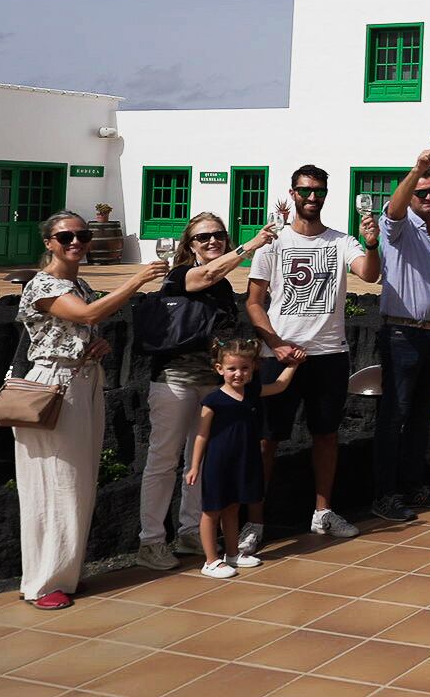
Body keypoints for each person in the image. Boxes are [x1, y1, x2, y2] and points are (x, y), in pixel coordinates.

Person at [14, 212, 167, 609]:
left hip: (83, 382)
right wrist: (136, 280)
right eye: (65, 236)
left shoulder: (77, 283)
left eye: (83, 235)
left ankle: (64, 572)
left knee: (78, 483)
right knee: (54, 483)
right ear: (48, 242)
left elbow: (82, 329)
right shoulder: (42, 284)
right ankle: (44, 582)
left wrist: (98, 346)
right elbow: (87, 315)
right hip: (53, 388)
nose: (76, 242)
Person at [244, 165, 376, 553]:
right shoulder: (273, 243)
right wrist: (276, 342)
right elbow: (253, 302)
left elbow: (369, 274)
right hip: (278, 355)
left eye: (319, 190)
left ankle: (323, 512)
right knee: (268, 440)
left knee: (326, 435)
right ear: (293, 192)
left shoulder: (340, 241)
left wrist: (372, 243)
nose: (312, 197)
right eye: (305, 191)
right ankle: (255, 520)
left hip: (328, 354)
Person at [136, 212, 276, 571]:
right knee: (164, 460)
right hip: (175, 380)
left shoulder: (224, 287)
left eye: (218, 235)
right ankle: (151, 541)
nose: (212, 241)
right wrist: (250, 246)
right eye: (203, 237)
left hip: (211, 384)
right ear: (190, 245)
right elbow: (208, 273)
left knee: (200, 460)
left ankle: (189, 531)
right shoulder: (182, 274)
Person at [370, 150, 430, 521]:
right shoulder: (399, 226)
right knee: (394, 417)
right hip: (403, 333)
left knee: (421, 417)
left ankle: (411, 485)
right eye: (422, 192)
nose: (429, 197)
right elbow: (393, 208)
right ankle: (384, 493)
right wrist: (417, 169)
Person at [184, 338, 299, 578]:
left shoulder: (253, 392)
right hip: (218, 463)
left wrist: (293, 365)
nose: (238, 374)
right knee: (212, 510)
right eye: (232, 369)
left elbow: (279, 386)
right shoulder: (213, 400)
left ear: (254, 367)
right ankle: (210, 560)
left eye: (244, 368)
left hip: (244, 460)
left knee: (233, 507)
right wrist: (195, 465)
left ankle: (232, 553)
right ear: (219, 369)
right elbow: (201, 435)